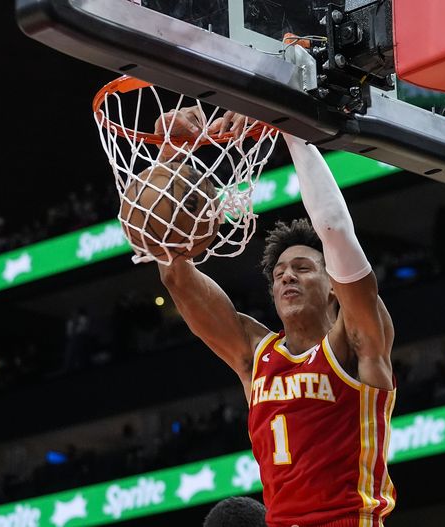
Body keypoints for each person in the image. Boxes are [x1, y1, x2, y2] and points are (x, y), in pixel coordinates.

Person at [152, 107, 396, 527]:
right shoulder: (254, 355)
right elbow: (175, 274)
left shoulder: (357, 343)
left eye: (302, 268)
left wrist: (288, 121)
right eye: (280, 273)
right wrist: (172, 157)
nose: (287, 277)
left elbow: (335, 229)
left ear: (333, 286)